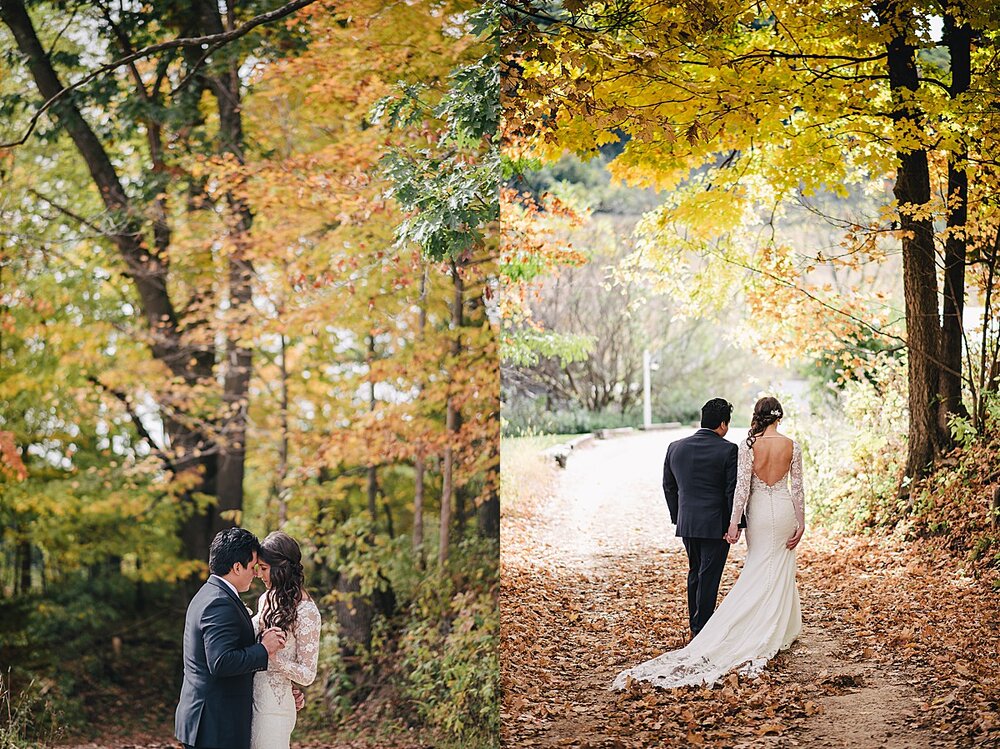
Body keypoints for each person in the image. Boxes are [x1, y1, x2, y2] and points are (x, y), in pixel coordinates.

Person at [612, 396, 804, 689]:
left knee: (719, 571)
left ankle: (705, 627)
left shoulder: (739, 446)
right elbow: (792, 488)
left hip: (721, 519)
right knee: (767, 568)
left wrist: (716, 520)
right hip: (777, 511)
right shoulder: (784, 445)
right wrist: (798, 522)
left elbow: (733, 489)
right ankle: (757, 625)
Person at [175, 528, 287, 749]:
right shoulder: (219, 603)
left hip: (209, 719)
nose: (256, 573)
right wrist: (264, 649)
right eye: (252, 566)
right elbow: (221, 662)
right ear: (237, 567)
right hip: (215, 725)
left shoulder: (209, 593)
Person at [662, 397, 740, 638]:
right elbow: (731, 489)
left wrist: (678, 516)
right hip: (716, 525)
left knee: (695, 571)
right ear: (724, 424)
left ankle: (695, 624)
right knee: (709, 576)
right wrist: (734, 523)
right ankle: (702, 630)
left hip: (688, 522)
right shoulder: (728, 449)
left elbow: (668, 486)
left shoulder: (675, 447)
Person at [250, 531, 322, 749]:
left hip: (275, 706)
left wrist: (274, 659)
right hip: (248, 698)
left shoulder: (307, 612)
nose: (259, 574)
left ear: (281, 568)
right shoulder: (265, 599)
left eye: (263, 568)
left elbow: (308, 674)